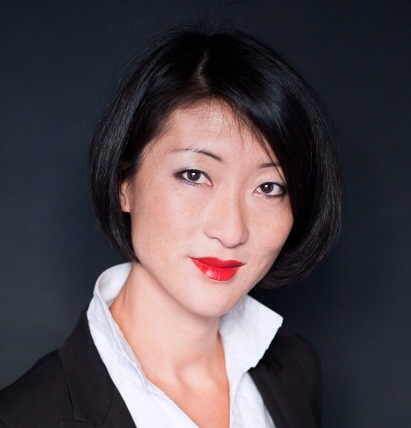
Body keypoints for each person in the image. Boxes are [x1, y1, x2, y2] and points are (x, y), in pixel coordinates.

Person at [0, 26, 342, 428]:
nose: (231, 231)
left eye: (269, 187)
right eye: (194, 175)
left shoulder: (295, 369)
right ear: (124, 184)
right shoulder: (25, 418)